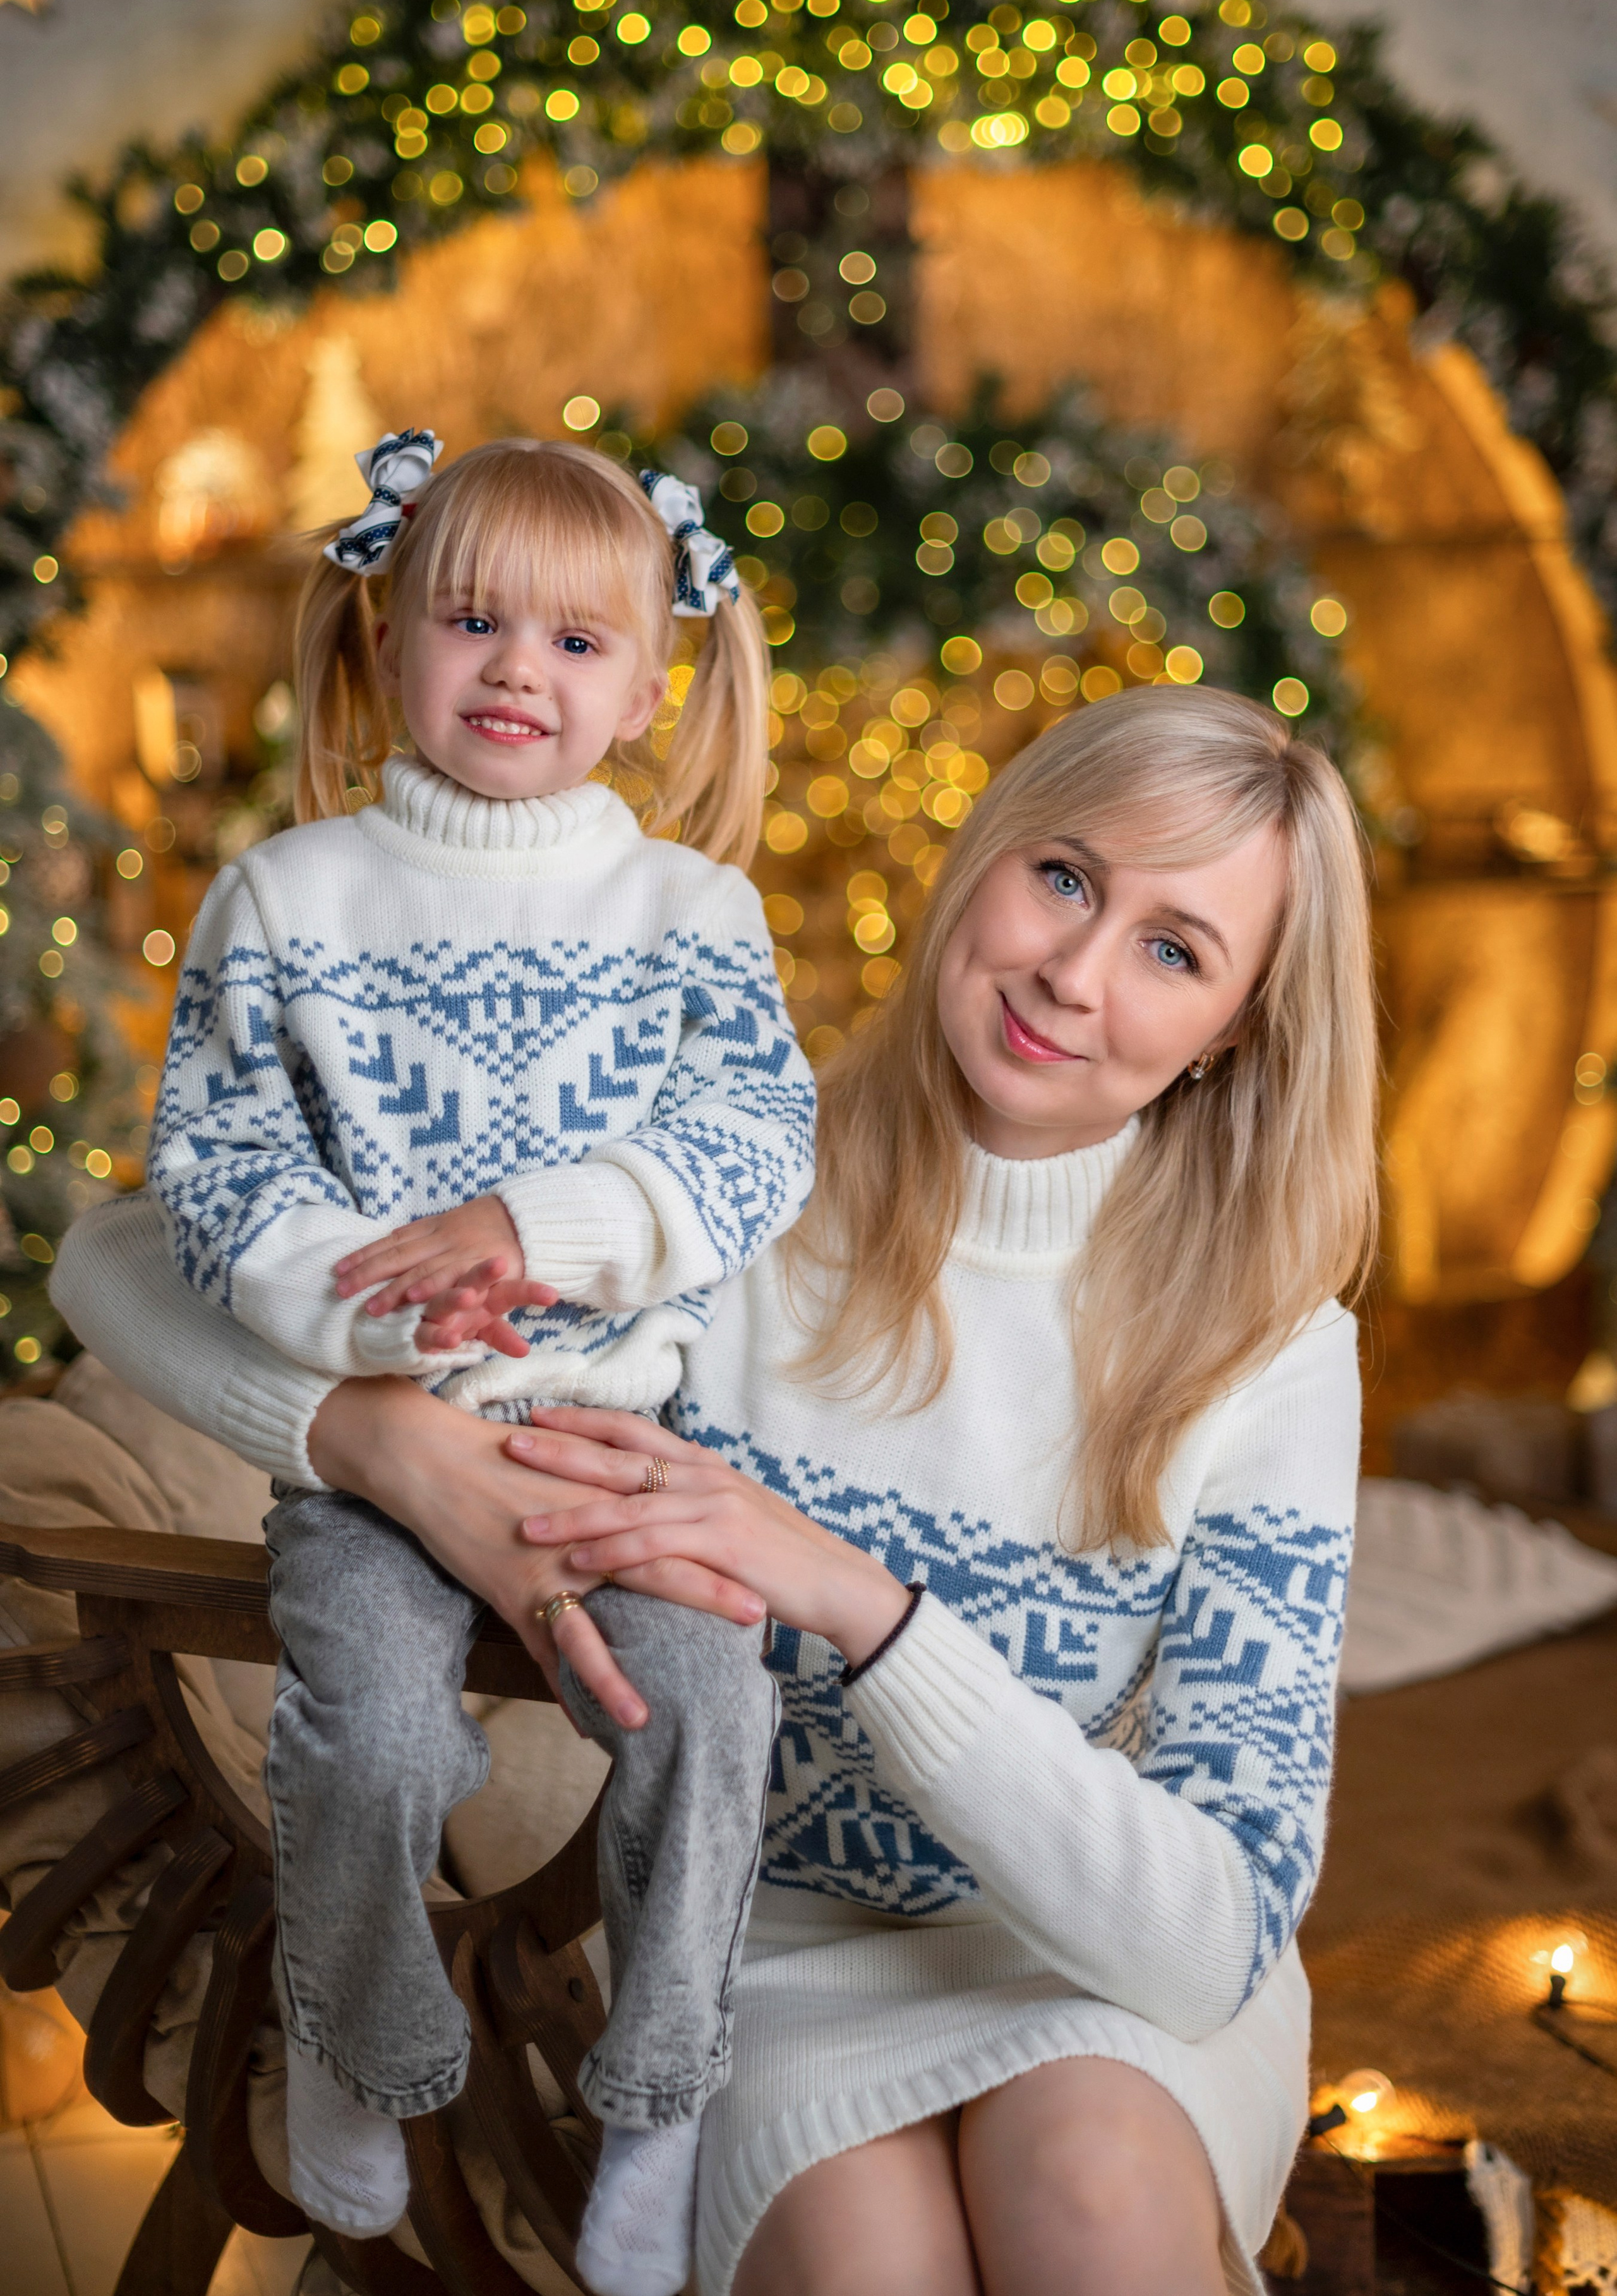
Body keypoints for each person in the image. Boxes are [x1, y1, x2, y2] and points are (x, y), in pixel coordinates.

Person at [57, 682, 1377, 2296]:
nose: (1073, 971)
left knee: (1088, 2185)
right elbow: (116, 1256)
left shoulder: (1272, 1344)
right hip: (774, 1948)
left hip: (1108, 1964)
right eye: (1063, 877)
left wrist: (859, 1603)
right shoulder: (723, 1180)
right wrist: (388, 1444)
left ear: (1234, 1026)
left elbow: (1214, 1931)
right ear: (981, 855)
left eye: (1173, 949)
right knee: (871, 2262)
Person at [138, 428, 815, 2295]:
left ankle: (661, 2094)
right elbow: (214, 1171)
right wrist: (376, 1322)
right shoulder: (288, 900)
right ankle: (358, 2039)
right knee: (367, 1731)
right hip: (380, 1449)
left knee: (710, 1711)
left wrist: (543, 1223)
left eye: (579, 642)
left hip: (610, 1439)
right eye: (473, 619)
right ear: (386, 638)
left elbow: (757, 1142)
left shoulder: (689, 914)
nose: (521, 668)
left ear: (649, 687)